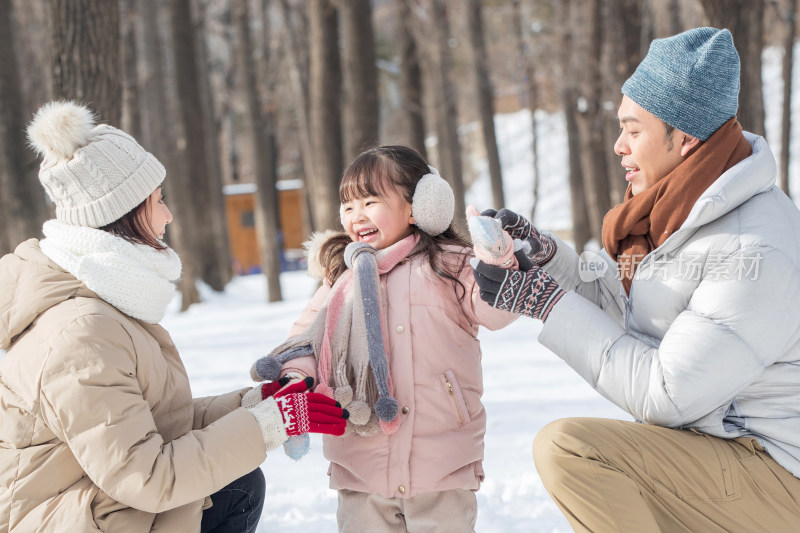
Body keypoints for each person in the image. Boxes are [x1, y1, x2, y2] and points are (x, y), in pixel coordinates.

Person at [471, 27, 800, 531]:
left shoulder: (750, 246)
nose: (619, 145)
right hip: (725, 448)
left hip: (777, 474)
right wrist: (544, 256)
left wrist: (543, 303)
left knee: (571, 451)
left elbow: (667, 394)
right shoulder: (679, 216)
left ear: (686, 137)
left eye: (634, 129)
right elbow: (621, 303)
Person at [0, 101, 347, 533]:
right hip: (66, 521)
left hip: (96, 505)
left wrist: (255, 405)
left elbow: (161, 427)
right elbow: (145, 476)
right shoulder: (80, 332)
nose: (167, 215)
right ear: (121, 217)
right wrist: (268, 426)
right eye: (157, 201)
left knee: (237, 483)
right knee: (234, 487)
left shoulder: (102, 305)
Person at [249, 145, 517, 532]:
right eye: (348, 205)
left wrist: (496, 260)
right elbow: (307, 337)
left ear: (419, 206)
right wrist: (294, 377)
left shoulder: (452, 264)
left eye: (370, 202)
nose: (356, 216)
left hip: (440, 464)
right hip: (362, 458)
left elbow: (498, 311)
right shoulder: (342, 276)